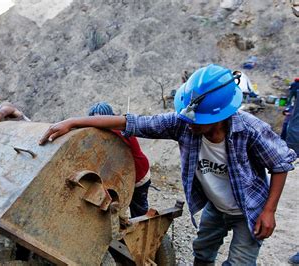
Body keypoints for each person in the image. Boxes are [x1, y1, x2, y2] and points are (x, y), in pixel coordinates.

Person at [39, 64, 297, 265]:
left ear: (220, 117)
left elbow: (280, 164)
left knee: (240, 262)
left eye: (199, 121)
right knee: (203, 251)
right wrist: (74, 122)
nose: (190, 124)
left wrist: (269, 211)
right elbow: (133, 123)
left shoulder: (250, 130)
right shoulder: (183, 124)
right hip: (216, 208)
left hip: (248, 210)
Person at [88, 102, 151, 217]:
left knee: (138, 208)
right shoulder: (107, 132)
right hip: (125, 172)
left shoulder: (119, 130)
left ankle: (145, 230)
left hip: (139, 175)